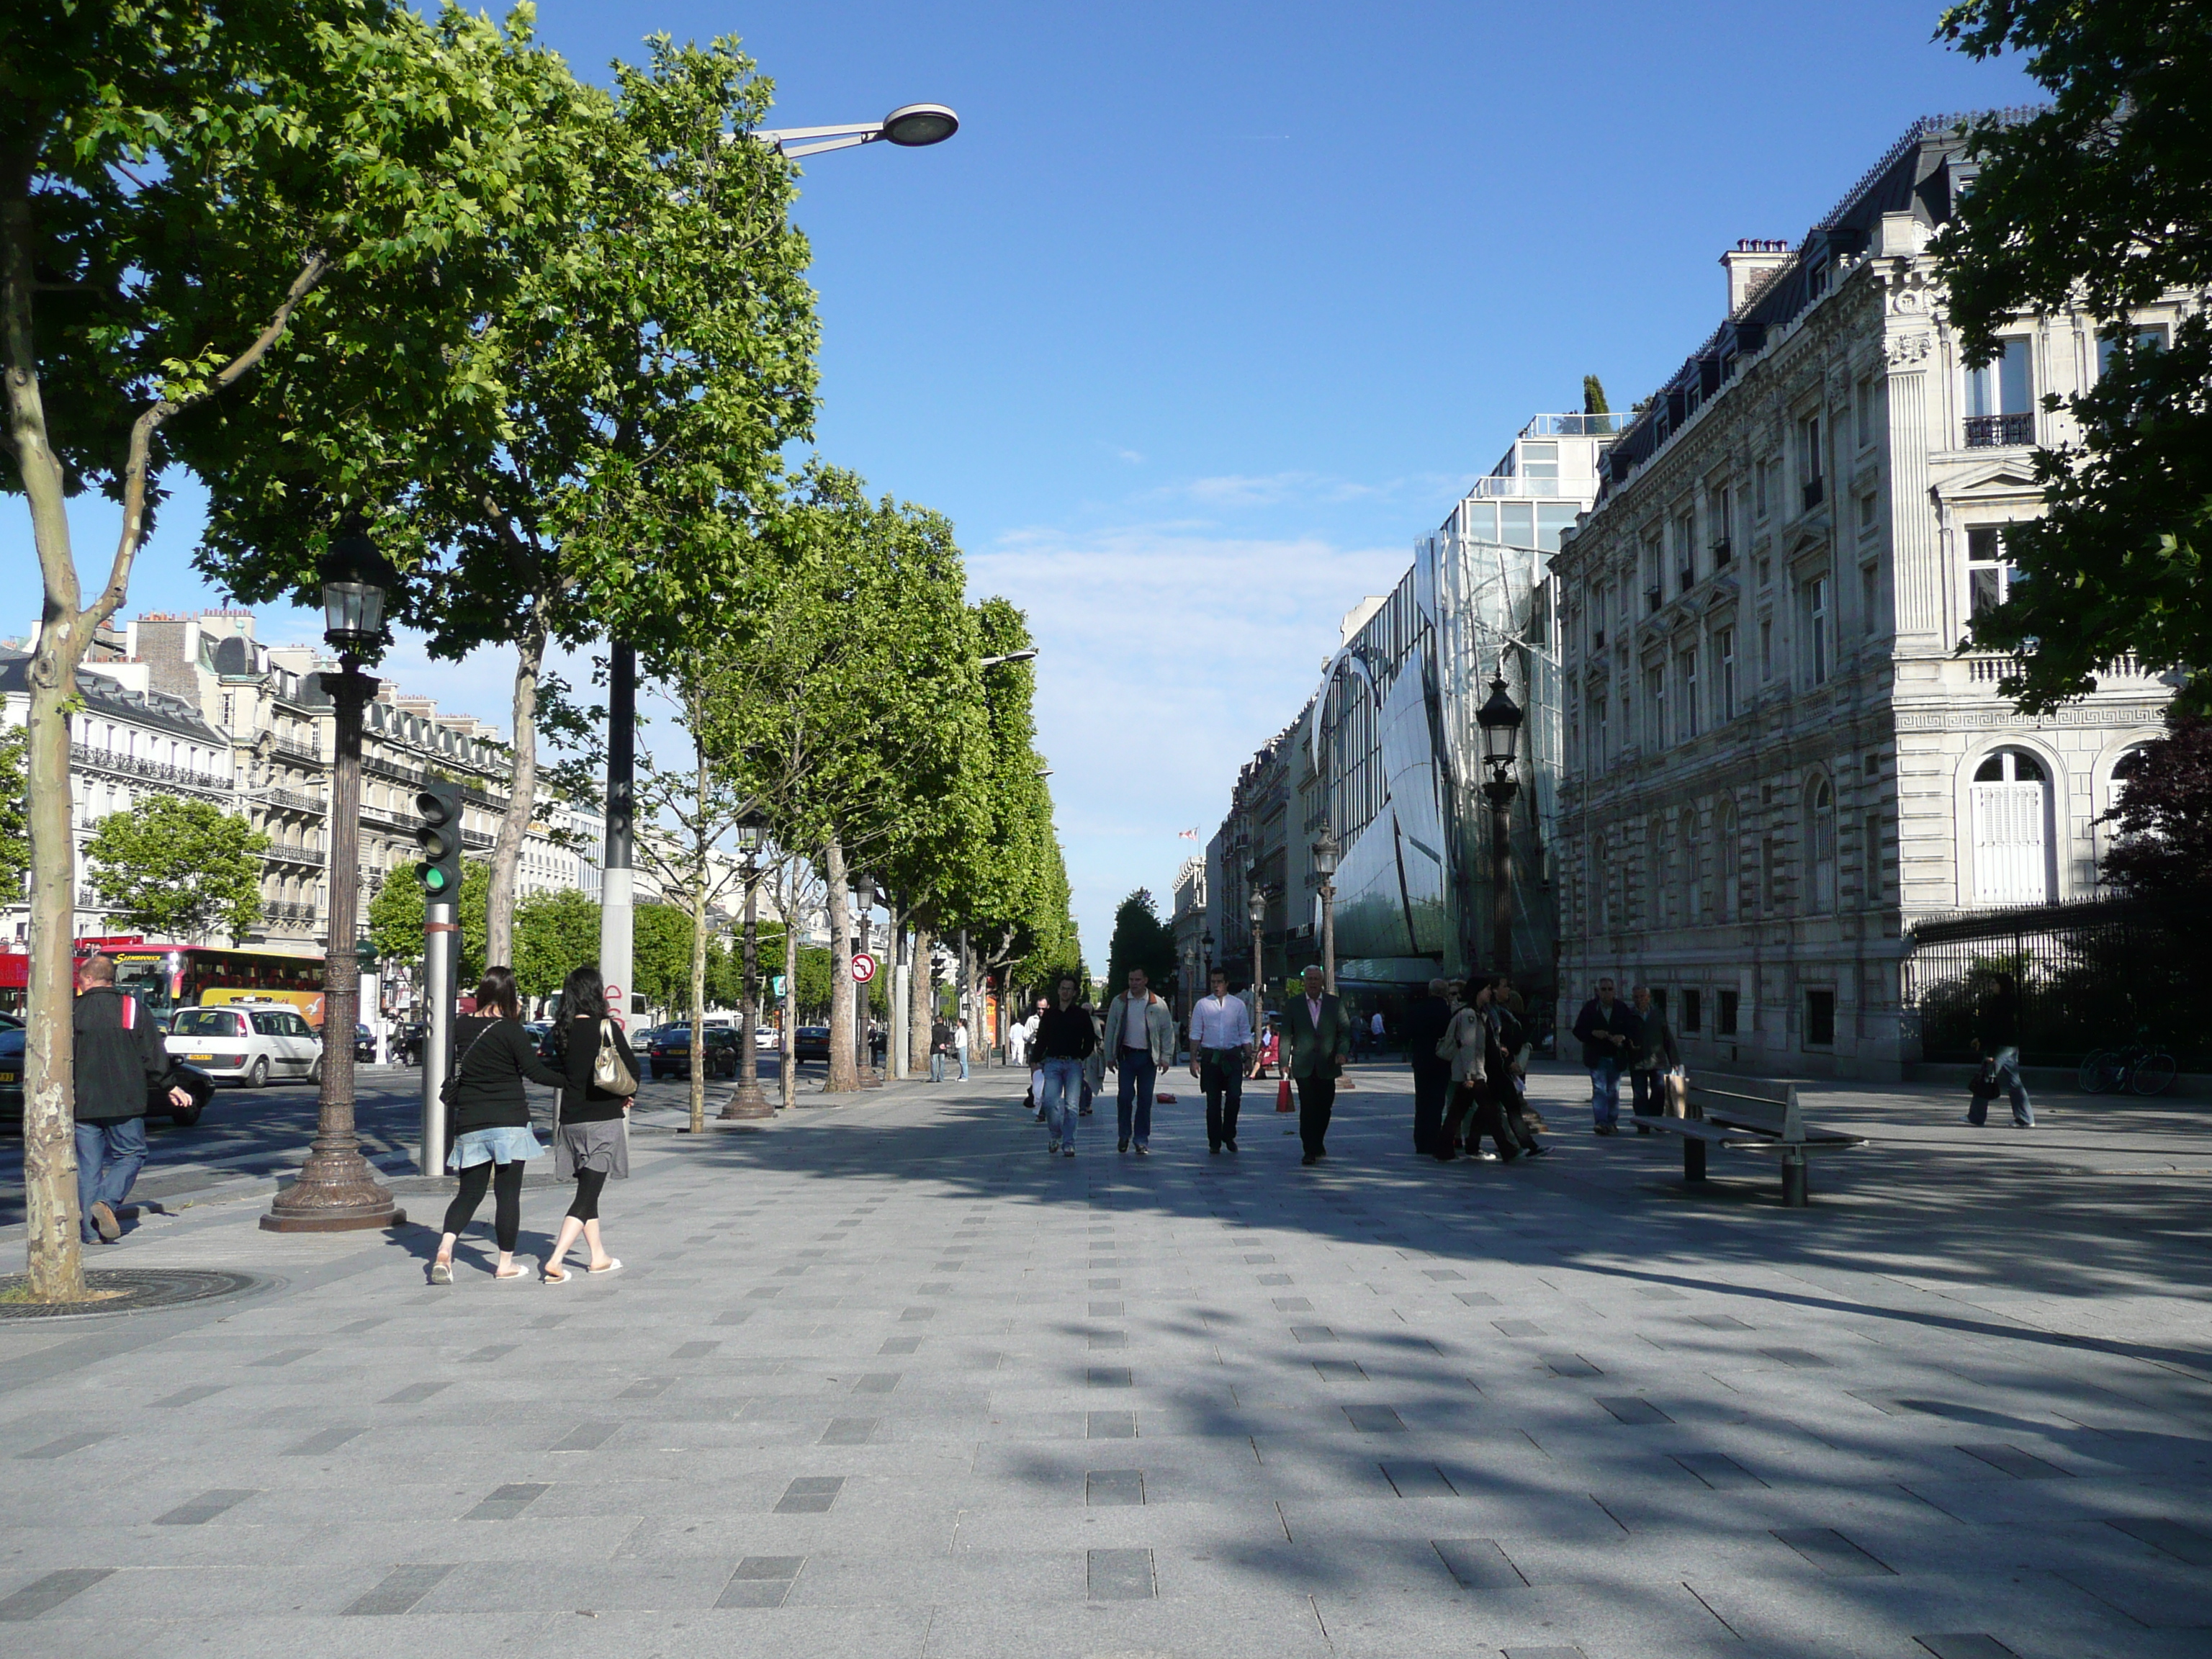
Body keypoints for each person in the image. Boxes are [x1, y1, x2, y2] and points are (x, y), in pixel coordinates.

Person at [432, 966, 569, 1283]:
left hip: (471, 1120)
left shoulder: (462, 1025)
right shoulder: (511, 1030)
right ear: (509, 995)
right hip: (509, 1120)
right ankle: (504, 1263)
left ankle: (444, 1248)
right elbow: (536, 1073)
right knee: (508, 1196)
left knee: (469, 1193)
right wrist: (572, 1081)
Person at [72, 952, 185, 1244]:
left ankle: (89, 1233)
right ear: (111, 978)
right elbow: (153, 1053)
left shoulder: (72, 1010)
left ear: (87, 978)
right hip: (124, 1099)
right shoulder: (132, 1008)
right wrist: (170, 1086)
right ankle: (107, 1202)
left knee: (88, 1167)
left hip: (82, 1102)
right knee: (131, 1154)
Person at [544, 965, 637, 1282]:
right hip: (602, 1122)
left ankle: (598, 1256)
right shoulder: (606, 1028)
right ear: (596, 993)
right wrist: (625, 1094)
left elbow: (556, 1071)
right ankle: (556, 1259)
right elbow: (632, 1070)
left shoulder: (561, 1031)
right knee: (586, 1197)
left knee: (589, 1191)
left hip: (570, 1122)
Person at [1282, 965, 1352, 1165]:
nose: (1312, 983)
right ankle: (1309, 1149)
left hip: (1328, 1063)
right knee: (1308, 1107)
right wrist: (1284, 1062)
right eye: (1309, 979)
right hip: (1303, 1064)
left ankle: (1318, 1141)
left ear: (1322, 982)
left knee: (1325, 1107)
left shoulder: (1334, 1004)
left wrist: (1342, 1052)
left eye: (1316, 979)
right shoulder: (1293, 1004)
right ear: (1304, 982)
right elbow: (1286, 1034)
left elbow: (1345, 1031)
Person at [1102, 967, 1174, 1154]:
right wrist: (1109, 1056)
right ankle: (1124, 1134)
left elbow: (1167, 1031)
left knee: (1145, 1100)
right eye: (1131, 979)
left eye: (1137, 979)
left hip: (1148, 1058)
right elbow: (1110, 1029)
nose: (1134, 983)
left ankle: (1141, 1139)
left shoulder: (1157, 1004)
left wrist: (1165, 1057)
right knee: (1125, 1097)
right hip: (1126, 1056)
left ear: (1145, 980)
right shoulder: (1120, 1002)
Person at [1188, 966, 1254, 1154]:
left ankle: (1229, 1133)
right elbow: (1196, 1034)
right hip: (1211, 1057)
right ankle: (1214, 1141)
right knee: (1213, 1102)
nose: (1216, 986)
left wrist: (1248, 1057)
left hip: (1232, 1056)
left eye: (1219, 982)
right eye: (1213, 982)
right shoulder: (1202, 1005)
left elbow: (1245, 1033)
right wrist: (1194, 1059)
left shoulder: (1238, 1005)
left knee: (1234, 1096)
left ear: (1226, 983)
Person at [1033, 974, 1095, 1156]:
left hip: (1073, 1063)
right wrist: (1035, 1060)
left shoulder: (1081, 1015)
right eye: (1063, 988)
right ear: (1058, 990)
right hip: (1052, 1062)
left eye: (1069, 989)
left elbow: (1090, 1039)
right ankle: (1055, 1133)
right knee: (1050, 1102)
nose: (1065, 992)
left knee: (1071, 1106)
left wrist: (1081, 1056)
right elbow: (1041, 1038)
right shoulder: (1050, 1014)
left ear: (1075, 993)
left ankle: (1069, 1142)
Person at [1571, 976, 1638, 1136]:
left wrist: (1622, 1037)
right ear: (1598, 991)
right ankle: (1601, 1122)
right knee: (1599, 1089)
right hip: (1597, 1055)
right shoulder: (1590, 1008)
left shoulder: (1622, 1008)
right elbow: (1578, 1030)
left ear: (1615, 991)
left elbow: (1632, 1030)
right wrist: (1593, 1033)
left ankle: (1612, 1121)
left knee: (1613, 1090)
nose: (1607, 992)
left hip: (1616, 1055)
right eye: (1604, 989)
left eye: (1610, 989)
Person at [1401, 977, 1454, 1155]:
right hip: (1441, 1061)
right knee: (1436, 1103)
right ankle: (1433, 1139)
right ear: (1445, 992)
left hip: (1422, 1060)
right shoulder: (1447, 1011)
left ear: (1430, 991)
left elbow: (1406, 1033)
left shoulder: (1417, 1010)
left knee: (1422, 1102)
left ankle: (1421, 1141)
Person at [1627, 984, 1681, 1134]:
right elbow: (1623, 1036)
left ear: (1648, 998)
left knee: (1659, 1091)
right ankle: (1643, 1123)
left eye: (1642, 997)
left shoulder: (1657, 1014)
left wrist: (1675, 1061)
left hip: (1657, 1060)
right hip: (1637, 1061)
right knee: (1640, 1095)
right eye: (1636, 997)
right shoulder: (1629, 1015)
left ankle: (1656, 1119)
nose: (1639, 1000)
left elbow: (1667, 1038)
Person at [1963, 1037, 2035, 1128]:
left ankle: (1976, 1116)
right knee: (2014, 1082)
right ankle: (2026, 1117)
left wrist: (1990, 1053)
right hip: (2011, 1044)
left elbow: (1996, 1029)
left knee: (1985, 1078)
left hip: (1999, 1046)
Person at [929, 1017, 952, 1084]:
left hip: (935, 1048)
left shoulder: (934, 1028)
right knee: (942, 1063)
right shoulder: (946, 1029)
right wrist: (944, 1044)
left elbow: (934, 1038)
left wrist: (939, 1044)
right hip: (943, 1049)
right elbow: (948, 1038)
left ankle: (934, 1077)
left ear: (936, 1021)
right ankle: (941, 1077)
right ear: (942, 1021)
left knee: (934, 1063)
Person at [953, 1018, 970, 1082]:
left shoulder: (962, 1030)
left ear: (961, 1023)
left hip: (962, 1047)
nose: (957, 1023)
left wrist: (958, 1045)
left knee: (963, 1062)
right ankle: (962, 1075)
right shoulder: (960, 1030)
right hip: (961, 1046)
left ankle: (965, 1076)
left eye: (958, 1022)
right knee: (961, 1062)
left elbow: (961, 1040)